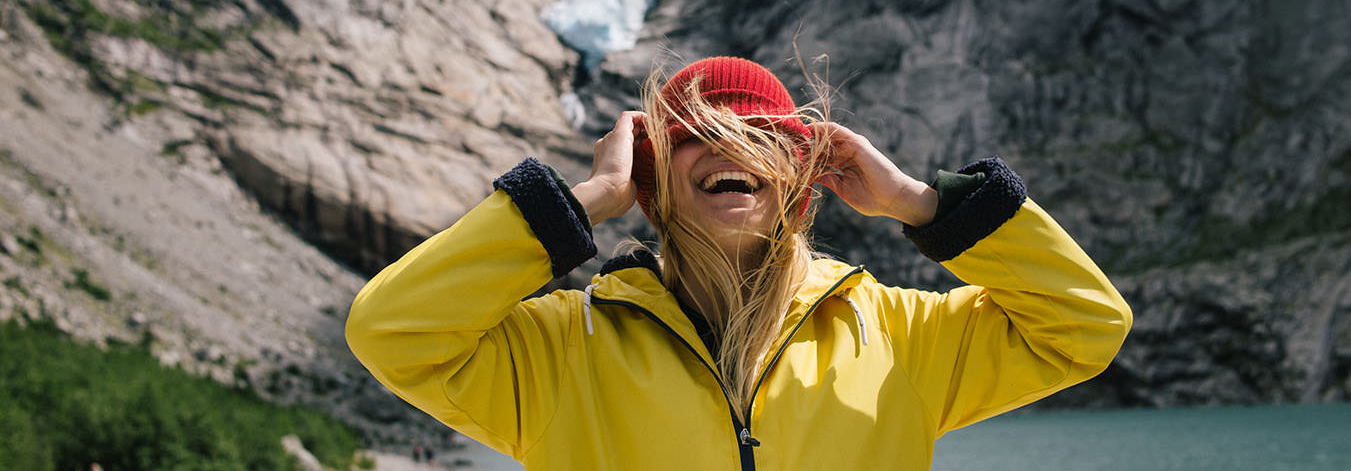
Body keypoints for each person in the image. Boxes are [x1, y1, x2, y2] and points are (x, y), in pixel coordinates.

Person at [346, 56, 1132, 470]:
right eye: (691, 136)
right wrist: (580, 201)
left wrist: (923, 205)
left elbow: (1086, 327)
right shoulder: (560, 352)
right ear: (654, 189)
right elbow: (391, 331)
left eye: (757, 135)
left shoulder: (899, 337)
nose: (726, 145)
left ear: (797, 180)